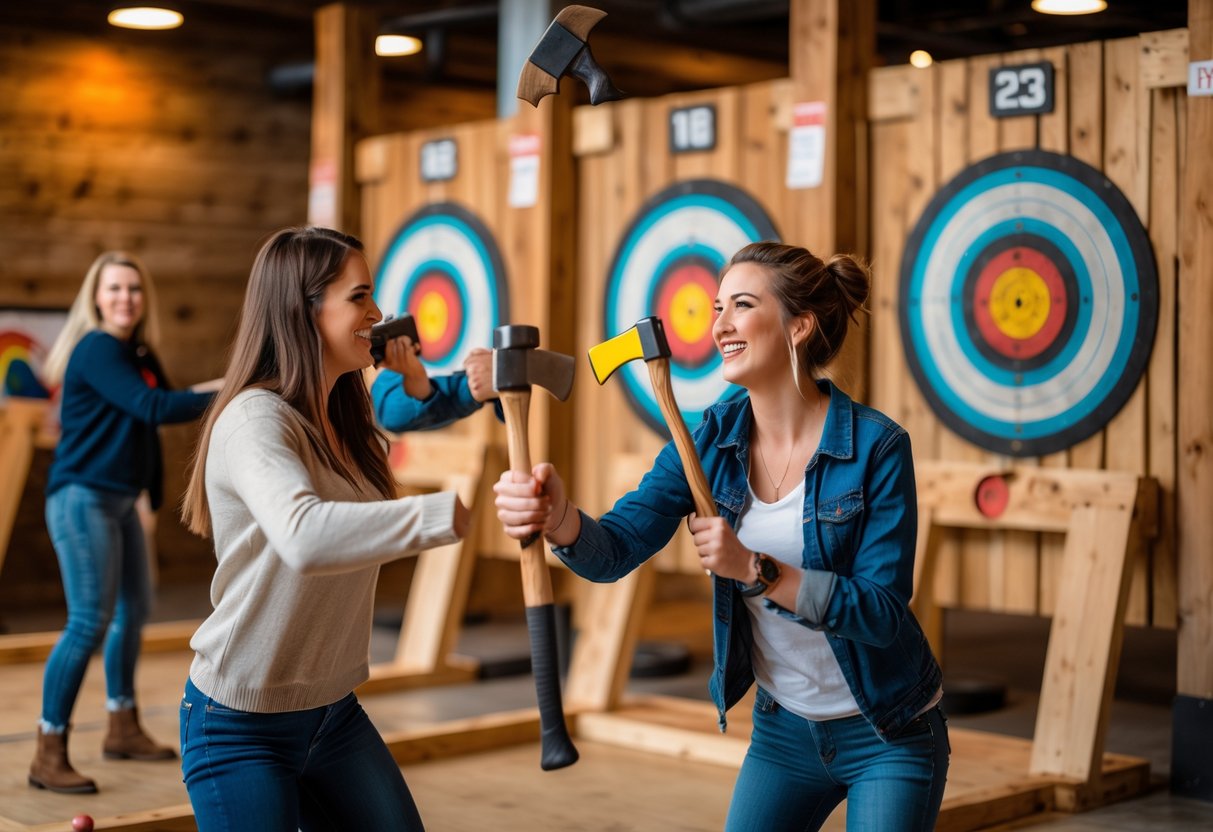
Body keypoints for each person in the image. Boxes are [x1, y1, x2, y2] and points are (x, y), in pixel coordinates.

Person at [495, 241, 949, 831]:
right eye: (715, 308)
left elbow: (883, 614)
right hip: (784, 730)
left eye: (740, 305)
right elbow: (615, 549)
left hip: (889, 727)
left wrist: (756, 570)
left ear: (799, 326)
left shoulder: (876, 447)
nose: (719, 325)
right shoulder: (709, 439)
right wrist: (558, 518)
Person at [179, 226, 470, 832]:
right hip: (238, 723)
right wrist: (443, 514)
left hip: (331, 713)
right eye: (359, 297)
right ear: (303, 309)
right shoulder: (254, 419)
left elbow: (407, 404)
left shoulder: (344, 412)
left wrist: (450, 383)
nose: (378, 313)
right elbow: (306, 536)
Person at [31, 251, 221, 795]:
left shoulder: (137, 351)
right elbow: (156, 408)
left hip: (119, 502)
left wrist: (148, 499)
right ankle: (48, 750)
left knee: (133, 610)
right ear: (96, 297)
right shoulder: (96, 349)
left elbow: (161, 407)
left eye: (134, 289)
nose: (125, 298)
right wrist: (234, 387)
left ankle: (121, 725)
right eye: (114, 288)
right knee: (88, 621)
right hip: (82, 499)